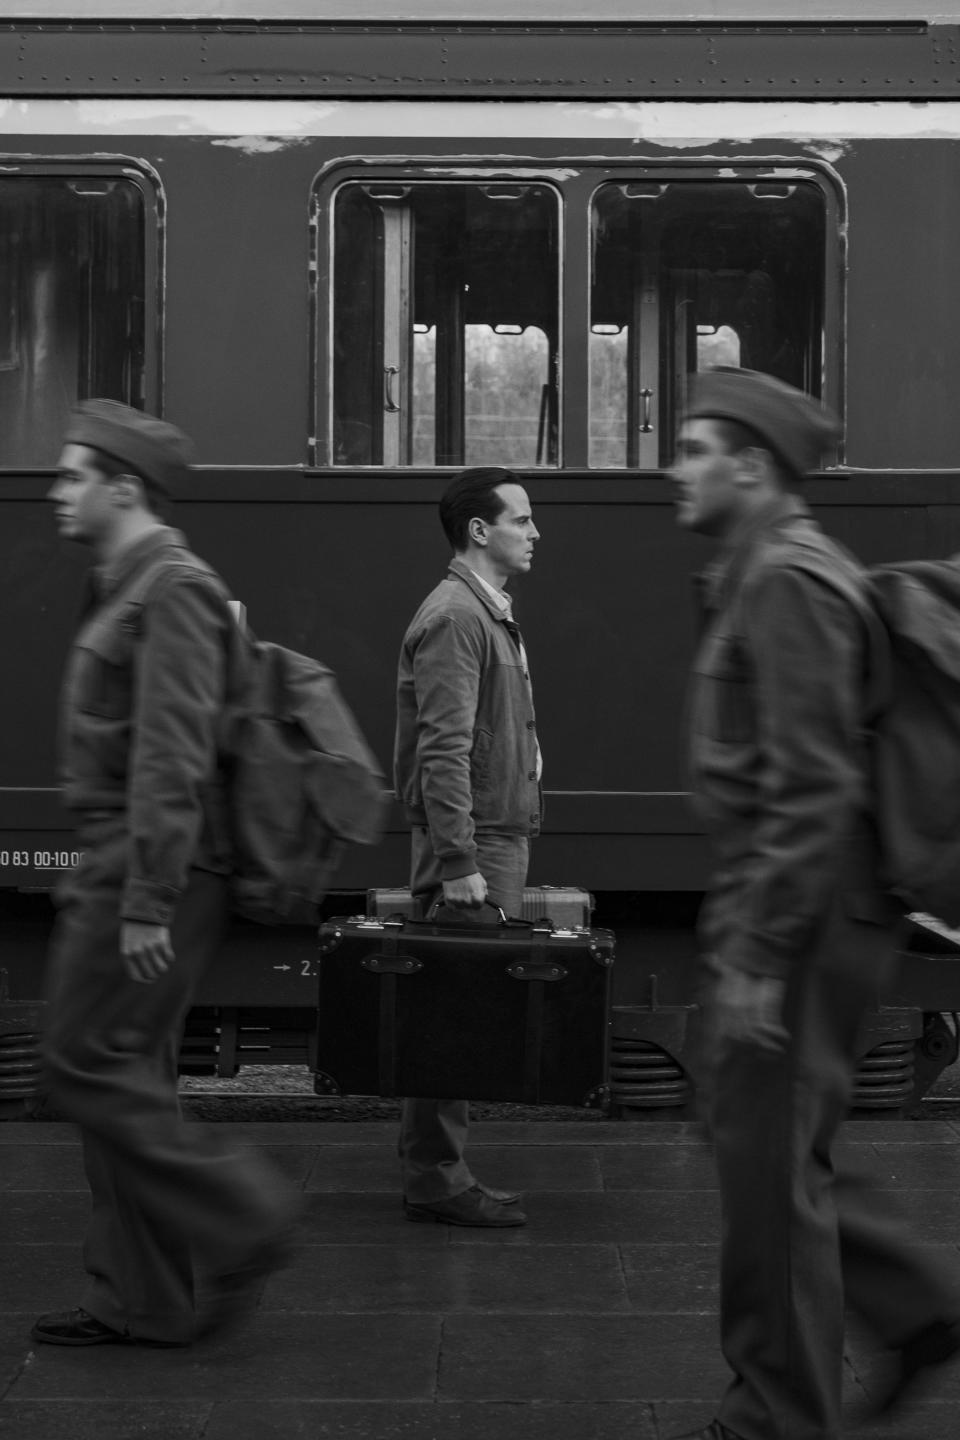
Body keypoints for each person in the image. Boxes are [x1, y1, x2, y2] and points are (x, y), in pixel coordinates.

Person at [667, 368, 960, 1440]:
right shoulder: (771, 571)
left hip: (806, 912)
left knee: (767, 1165)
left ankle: (780, 1415)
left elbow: (812, 784)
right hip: (805, 906)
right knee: (762, 1148)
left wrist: (755, 957)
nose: (676, 469)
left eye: (697, 449)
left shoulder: (788, 580)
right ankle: (918, 1309)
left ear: (754, 466)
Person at [32, 400, 294, 1349]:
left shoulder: (171, 589)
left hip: (153, 867)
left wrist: (147, 899)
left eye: (72, 476)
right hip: (130, 859)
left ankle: (249, 1214)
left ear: (124, 486)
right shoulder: (124, 584)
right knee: (117, 1069)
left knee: (81, 1062)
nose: (56, 493)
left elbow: (172, 756)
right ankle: (143, 1300)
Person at [394, 466, 542, 1227]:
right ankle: (437, 1179)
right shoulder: (457, 616)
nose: (534, 530)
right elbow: (441, 748)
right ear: (480, 531)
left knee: (457, 1008)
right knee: (453, 1011)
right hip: (474, 842)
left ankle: (435, 1171)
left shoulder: (486, 612)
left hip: (491, 834)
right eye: (521, 518)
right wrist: (459, 862)